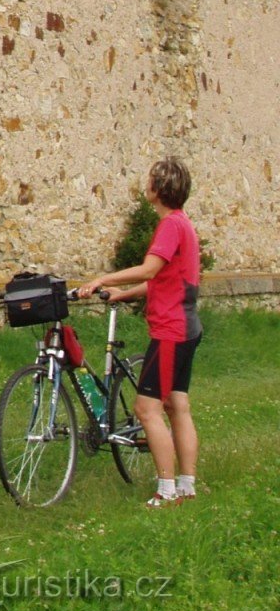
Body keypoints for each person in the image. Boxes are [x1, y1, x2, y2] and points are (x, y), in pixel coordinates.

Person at [78, 156, 202, 507]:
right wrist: (125, 294)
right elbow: (166, 280)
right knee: (178, 404)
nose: (145, 185)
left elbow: (149, 271)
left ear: (159, 189)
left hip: (171, 331)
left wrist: (103, 279)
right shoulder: (184, 224)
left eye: (150, 180)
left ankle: (165, 490)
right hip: (189, 326)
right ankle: (187, 486)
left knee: (147, 409)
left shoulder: (169, 226)